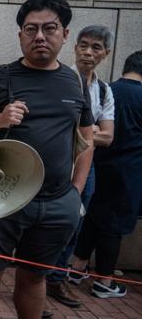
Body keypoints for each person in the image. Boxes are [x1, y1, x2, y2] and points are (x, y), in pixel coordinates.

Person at [0, 0, 94, 319]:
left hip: (58, 202)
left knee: (35, 276)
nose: (40, 37)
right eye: (31, 30)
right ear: (20, 36)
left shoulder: (75, 81)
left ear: (65, 34)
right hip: (4, 198)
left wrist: (75, 192)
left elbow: (86, 136)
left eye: (50, 28)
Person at [45, 24, 115, 308]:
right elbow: (55, 127)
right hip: (55, 161)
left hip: (87, 166)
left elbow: (108, 137)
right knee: (48, 222)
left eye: (96, 48)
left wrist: (81, 131)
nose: (88, 52)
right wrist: (89, 131)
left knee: (75, 221)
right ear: (74, 47)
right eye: (83, 45)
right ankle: (38, 277)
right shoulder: (60, 79)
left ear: (105, 54)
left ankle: (57, 278)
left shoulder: (104, 90)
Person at [69, 50, 142, 299]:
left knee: (92, 217)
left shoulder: (106, 89)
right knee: (114, 225)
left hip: (95, 166)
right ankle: (104, 280)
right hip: (128, 173)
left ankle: (77, 267)